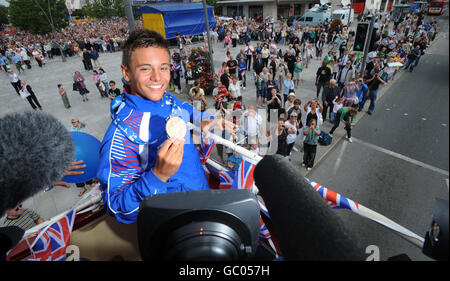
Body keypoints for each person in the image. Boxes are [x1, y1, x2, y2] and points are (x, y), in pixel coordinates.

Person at [96, 29, 235, 224]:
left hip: (201, 196)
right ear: (126, 73)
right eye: (145, 68)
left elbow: (184, 108)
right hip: (175, 220)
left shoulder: (166, 99)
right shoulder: (120, 137)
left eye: (163, 68)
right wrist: (158, 176)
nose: (157, 77)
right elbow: (116, 206)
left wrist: (204, 119)